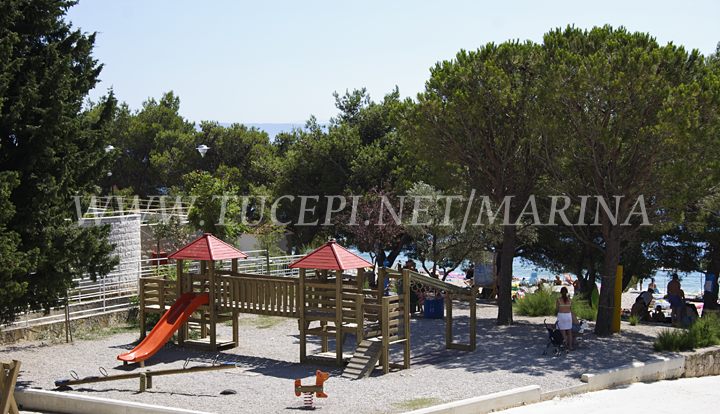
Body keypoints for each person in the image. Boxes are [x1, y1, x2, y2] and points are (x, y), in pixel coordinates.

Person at [556, 287, 573, 351]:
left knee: (563, 332)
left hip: (561, 315)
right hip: (568, 315)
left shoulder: (558, 300)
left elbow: (557, 309)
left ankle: (565, 345)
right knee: (569, 332)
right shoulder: (570, 300)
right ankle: (570, 346)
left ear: (561, 292)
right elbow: (570, 308)